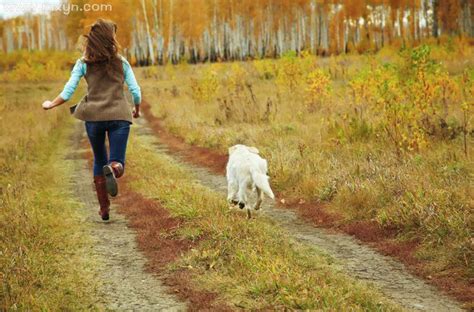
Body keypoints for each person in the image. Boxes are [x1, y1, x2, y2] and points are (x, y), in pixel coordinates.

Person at [41, 19, 141, 221]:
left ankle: (104, 208)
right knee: (116, 161)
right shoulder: (122, 62)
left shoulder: (83, 63)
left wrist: (52, 103)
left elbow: (68, 92)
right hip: (119, 116)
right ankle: (114, 169)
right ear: (111, 38)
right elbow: (135, 91)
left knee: (99, 159)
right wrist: (136, 108)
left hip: (93, 117)